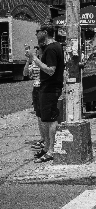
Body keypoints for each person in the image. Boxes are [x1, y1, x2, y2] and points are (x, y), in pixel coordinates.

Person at [26, 25, 65, 163]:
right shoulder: (54, 47)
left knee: (50, 120)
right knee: (46, 119)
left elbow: (51, 70)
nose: (36, 34)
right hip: (47, 87)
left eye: (38, 32)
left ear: (45, 33)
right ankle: (47, 147)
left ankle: (51, 151)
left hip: (50, 88)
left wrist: (35, 59)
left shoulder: (52, 48)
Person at [23, 45, 45, 151]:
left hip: (44, 89)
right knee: (39, 114)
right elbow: (25, 73)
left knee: (44, 114)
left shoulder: (45, 62)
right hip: (36, 89)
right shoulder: (34, 62)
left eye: (38, 51)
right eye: (35, 52)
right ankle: (43, 138)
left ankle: (47, 139)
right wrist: (28, 60)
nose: (36, 53)